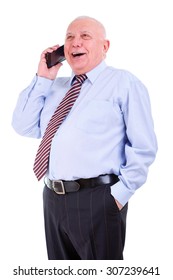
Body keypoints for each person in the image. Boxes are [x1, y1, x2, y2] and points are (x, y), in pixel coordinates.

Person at [12, 16, 157, 260]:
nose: (75, 42)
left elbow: (143, 147)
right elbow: (23, 126)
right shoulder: (54, 87)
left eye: (85, 36)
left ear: (105, 46)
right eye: (69, 37)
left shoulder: (124, 83)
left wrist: (118, 197)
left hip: (98, 199)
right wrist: (43, 78)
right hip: (52, 200)